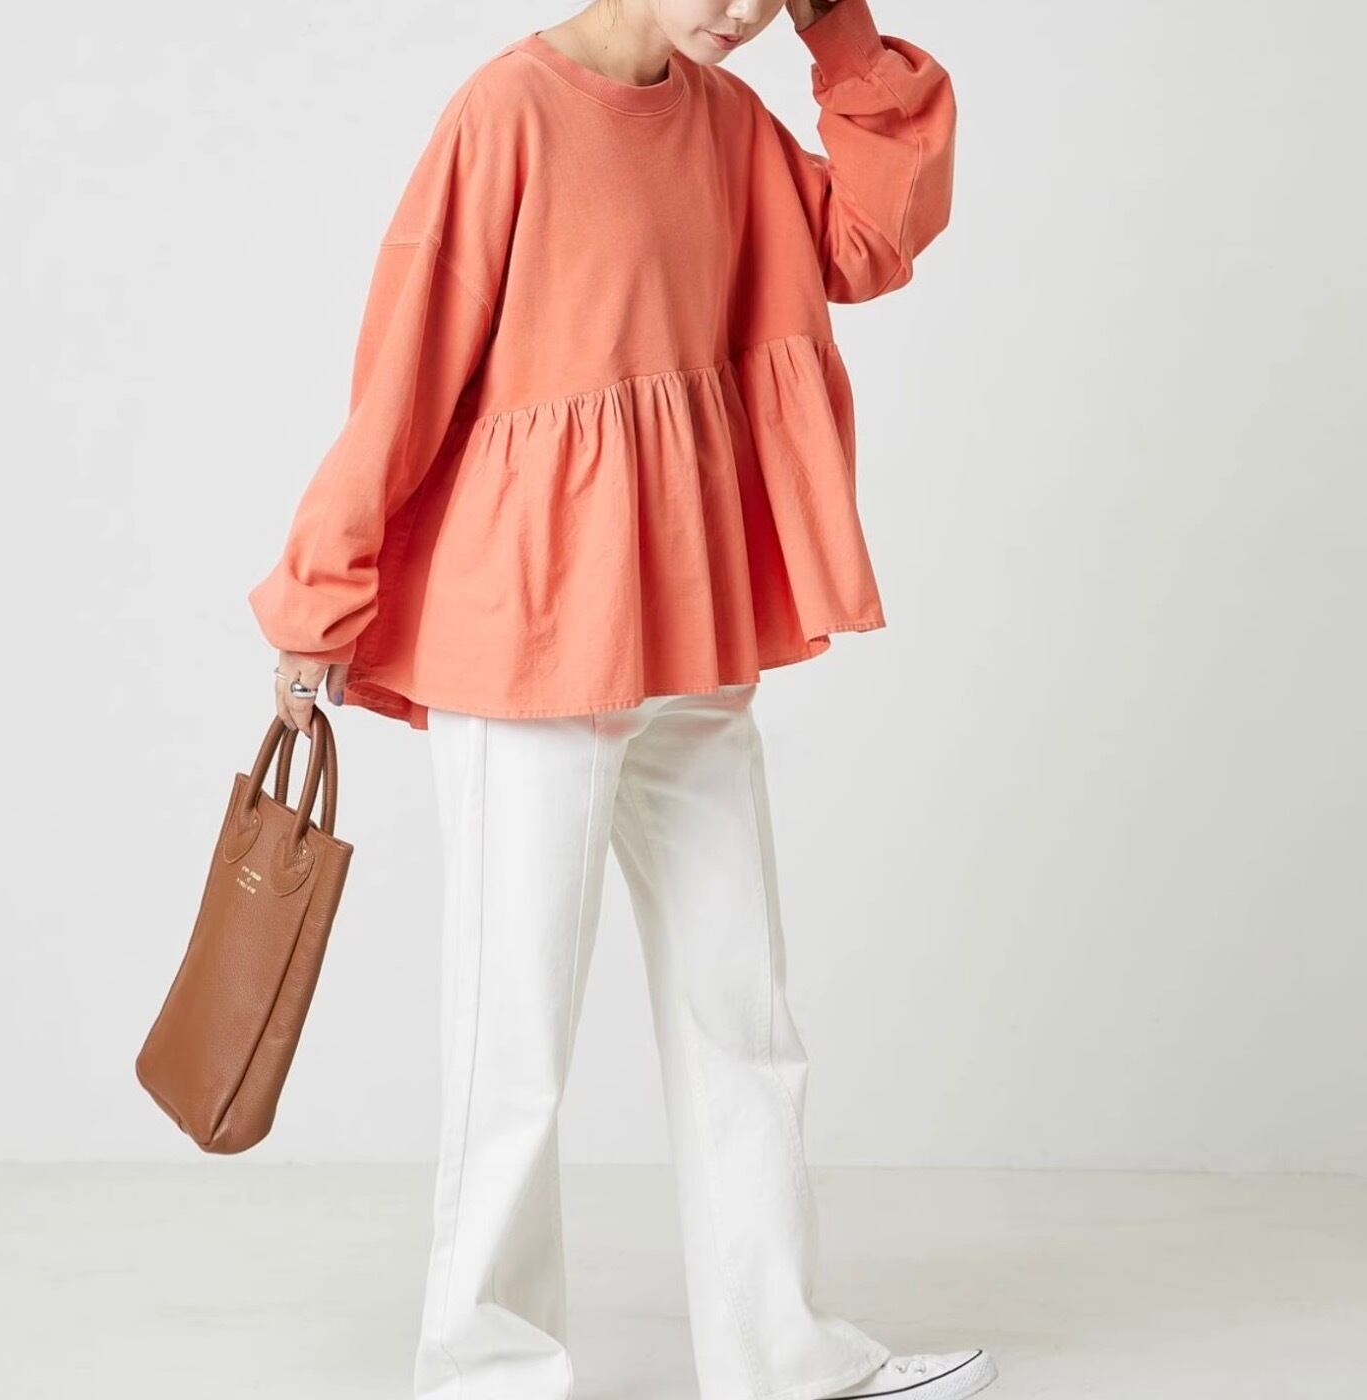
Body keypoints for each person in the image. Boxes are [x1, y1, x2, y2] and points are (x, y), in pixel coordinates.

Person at [249, 2, 994, 1398]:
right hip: (533, 636)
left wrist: (843, 38)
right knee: (514, 1041)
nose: (745, 12)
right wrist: (316, 600)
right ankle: (485, 1374)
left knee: (742, 1014)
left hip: (690, 628)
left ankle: (781, 1354)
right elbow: (404, 372)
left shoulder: (728, 122)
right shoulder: (507, 114)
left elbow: (870, 242)